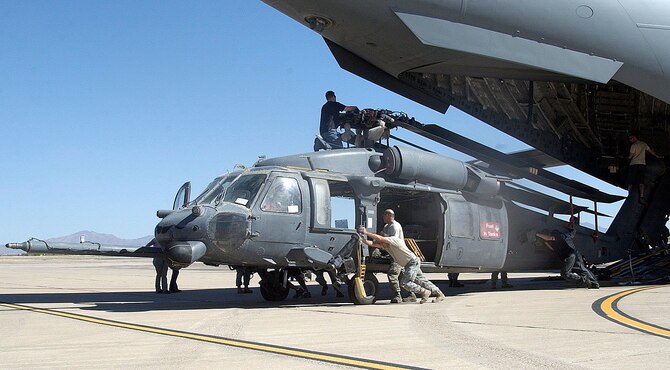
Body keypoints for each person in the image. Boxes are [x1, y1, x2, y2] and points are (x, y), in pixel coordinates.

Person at [358, 226, 445, 303]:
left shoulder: (394, 240)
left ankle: (424, 292)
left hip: (412, 262)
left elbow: (380, 239)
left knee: (405, 282)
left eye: (380, 242)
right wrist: (362, 240)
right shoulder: (386, 246)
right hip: (409, 264)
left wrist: (366, 232)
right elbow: (373, 244)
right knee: (421, 280)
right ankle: (439, 294)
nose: (380, 245)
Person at [379, 209, 416, 303]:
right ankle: (411, 294)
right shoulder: (387, 226)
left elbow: (392, 240)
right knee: (402, 276)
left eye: (384, 215)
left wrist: (383, 236)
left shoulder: (395, 226)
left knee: (392, 274)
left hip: (398, 254)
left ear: (389, 215)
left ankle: (397, 295)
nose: (383, 217)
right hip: (394, 254)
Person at [627, 132, 657, 205]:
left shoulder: (633, 146)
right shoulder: (644, 144)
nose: (630, 140)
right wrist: (657, 156)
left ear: (634, 138)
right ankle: (642, 197)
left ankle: (628, 195)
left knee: (631, 181)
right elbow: (651, 152)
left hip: (634, 164)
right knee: (641, 182)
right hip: (642, 165)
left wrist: (625, 157)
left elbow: (630, 157)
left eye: (630, 138)